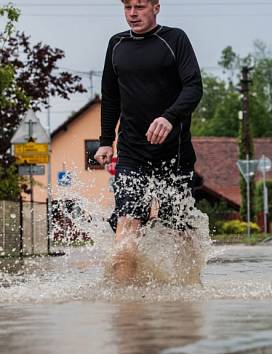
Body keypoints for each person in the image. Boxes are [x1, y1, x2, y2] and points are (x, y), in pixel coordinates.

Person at [94, 0, 203, 284]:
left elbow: (194, 87)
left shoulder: (174, 39)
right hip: (132, 152)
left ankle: (187, 291)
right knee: (127, 221)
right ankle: (125, 301)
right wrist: (106, 141)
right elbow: (111, 96)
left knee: (177, 228)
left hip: (174, 153)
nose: (133, 13)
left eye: (140, 6)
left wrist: (169, 117)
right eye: (127, 7)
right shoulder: (116, 44)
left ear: (156, 7)